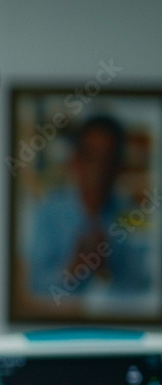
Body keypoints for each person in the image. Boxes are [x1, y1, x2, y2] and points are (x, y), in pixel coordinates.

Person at [27, 115, 151, 299]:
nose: (98, 169)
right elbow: (33, 286)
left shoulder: (132, 215)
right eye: (91, 157)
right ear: (76, 161)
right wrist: (71, 270)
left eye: (107, 159)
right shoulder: (47, 213)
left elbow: (145, 289)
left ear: (119, 167)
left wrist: (109, 268)